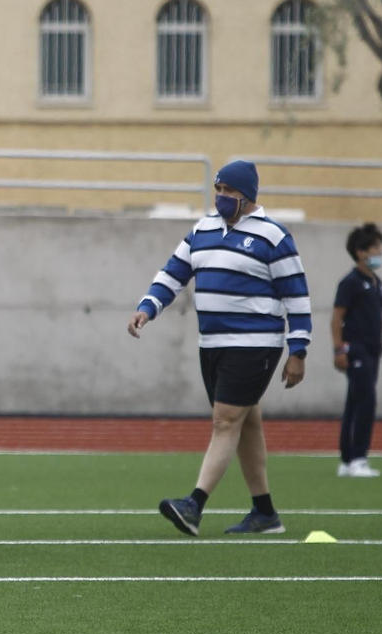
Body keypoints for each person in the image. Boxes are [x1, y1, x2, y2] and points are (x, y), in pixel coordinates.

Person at [130, 160, 311, 536]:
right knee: (246, 422)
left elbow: (296, 296)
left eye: (229, 191)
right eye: (219, 190)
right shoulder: (203, 228)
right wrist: (147, 308)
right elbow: (174, 273)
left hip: (254, 344)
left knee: (226, 420)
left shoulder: (273, 237)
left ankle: (194, 504)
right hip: (211, 343)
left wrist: (298, 350)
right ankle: (265, 513)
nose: (222, 197)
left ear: (247, 196)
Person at [333, 223, 382, 478]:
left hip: (372, 350)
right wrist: (339, 349)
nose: (380, 252)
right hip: (355, 348)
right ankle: (358, 458)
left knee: (354, 402)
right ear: (360, 252)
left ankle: (347, 460)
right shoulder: (350, 283)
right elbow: (336, 318)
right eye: (375, 247)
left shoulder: (377, 283)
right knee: (366, 401)